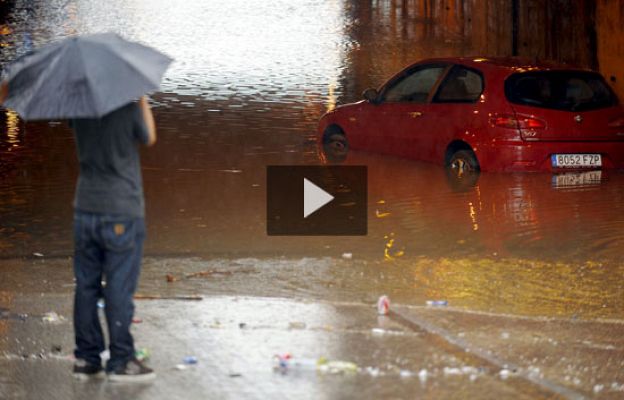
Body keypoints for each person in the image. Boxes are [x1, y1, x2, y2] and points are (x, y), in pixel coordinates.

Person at [68, 96, 157, 382]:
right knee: (119, 285)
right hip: (121, 210)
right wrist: (142, 100)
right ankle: (120, 359)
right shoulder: (128, 109)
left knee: (86, 285)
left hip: (85, 209)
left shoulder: (77, 108)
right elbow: (149, 137)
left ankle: (86, 357)